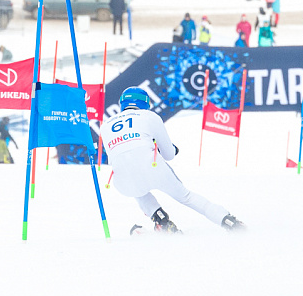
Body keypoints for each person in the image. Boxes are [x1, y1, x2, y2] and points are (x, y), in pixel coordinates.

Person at [100, 87, 245, 234]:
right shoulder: (149, 116)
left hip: (122, 181)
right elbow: (169, 154)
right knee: (186, 197)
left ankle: (161, 220)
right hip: (152, 168)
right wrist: (172, 148)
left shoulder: (105, 126)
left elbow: (120, 155)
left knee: (137, 188)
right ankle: (227, 220)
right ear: (145, 103)